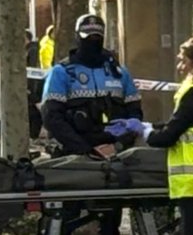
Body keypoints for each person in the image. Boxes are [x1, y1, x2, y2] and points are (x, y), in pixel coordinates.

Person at [108, 37, 193, 235]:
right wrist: (145, 125)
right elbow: (186, 125)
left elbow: (167, 137)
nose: (179, 67)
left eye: (183, 61)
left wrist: (144, 131)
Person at [41, 14, 143, 235]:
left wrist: (117, 145)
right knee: (66, 221)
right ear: (78, 37)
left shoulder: (119, 73)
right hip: (74, 159)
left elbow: (135, 115)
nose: (93, 41)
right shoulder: (62, 73)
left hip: (112, 159)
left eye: (97, 36)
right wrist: (85, 149)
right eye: (88, 36)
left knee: (109, 224)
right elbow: (52, 118)